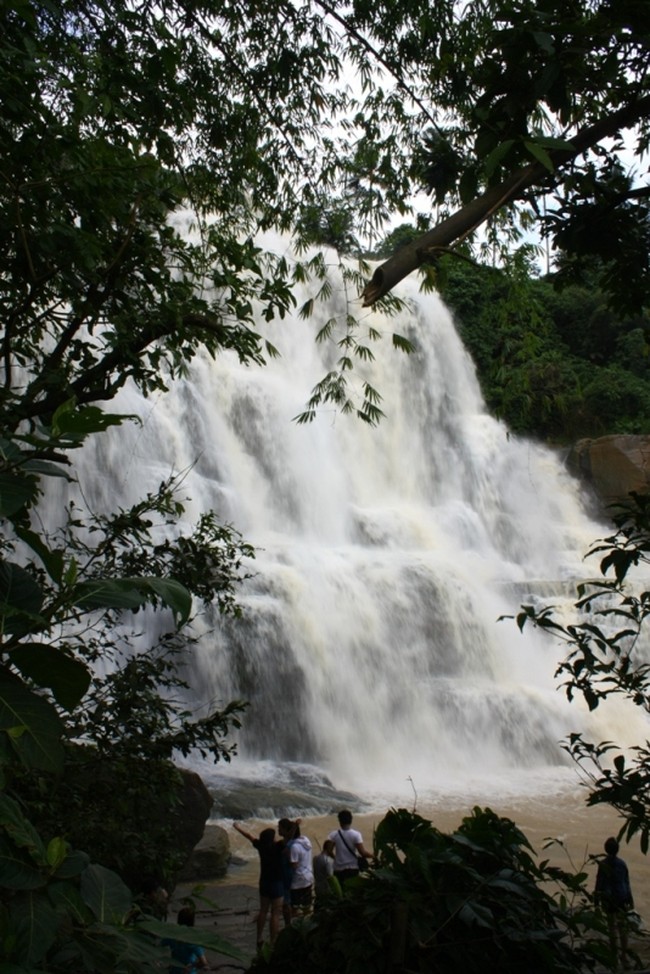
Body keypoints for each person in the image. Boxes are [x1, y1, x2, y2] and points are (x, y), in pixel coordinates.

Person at [233, 822, 284, 948]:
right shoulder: (277, 847)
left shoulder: (261, 846)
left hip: (264, 882)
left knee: (263, 911)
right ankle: (273, 941)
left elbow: (248, 836)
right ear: (273, 838)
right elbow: (289, 837)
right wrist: (295, 825)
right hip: (276, 882)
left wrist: (237, 827)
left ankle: (259, 937)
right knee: (275, 913)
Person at [594, 836, 635, 969]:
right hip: (622, 897)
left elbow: (599, 883)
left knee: (612, 928)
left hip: (609, 899)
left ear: (605, 849)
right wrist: (631, 899)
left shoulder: (603, 864)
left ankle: (614, 957)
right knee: (623, 928)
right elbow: (626, 882)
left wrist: (596, 903)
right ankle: (624, 957)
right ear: (618, 850)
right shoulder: (622, 864)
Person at [328, 809, 374, 884]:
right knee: (351, 891)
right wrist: (373, 856)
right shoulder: (356, 835)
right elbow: (362, 853)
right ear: (351, 820)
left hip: (338, 868)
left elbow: (329, 851)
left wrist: (335, 858)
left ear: (339, 821)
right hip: (352, 868)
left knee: (340, 892)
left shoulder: (333, 835)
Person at [163, 906, 209, 974]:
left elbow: (156, 945)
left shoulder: (172, 936)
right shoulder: (193, 940)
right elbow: (204, 962)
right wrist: (193, 965)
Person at [287, 823, 314, 917]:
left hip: (298, 880)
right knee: (307, 906)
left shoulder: (294, 846)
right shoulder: (306, 840)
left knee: (295, 907)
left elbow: (294, 865)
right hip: (308, 877)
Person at [278, 817, 300, 926]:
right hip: (289, 874)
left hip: (286, 875)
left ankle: (288, 925)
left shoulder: (288, 845)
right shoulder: (293, 844)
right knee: (290, 901)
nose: (278, 830)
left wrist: (295, 826)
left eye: (280, 828)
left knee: (286, 902)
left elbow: (288, 838)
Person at [312, 839, 335, 909]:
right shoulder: (328, 860)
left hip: (317, 885)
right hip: (326, 887)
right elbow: (330, 876)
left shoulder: (315, 858)